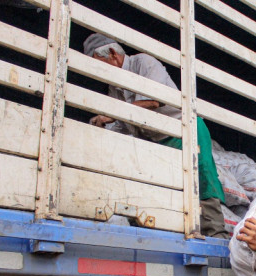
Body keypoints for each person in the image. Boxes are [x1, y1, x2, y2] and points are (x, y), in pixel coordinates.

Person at [83, 33, 228, 238]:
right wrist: (102, 128)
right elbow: (122, 125)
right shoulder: (114, 87)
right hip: (156, 140)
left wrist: (112, 113)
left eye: (99, 65)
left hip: (184, 130)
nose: (99, 72)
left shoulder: (143, 62)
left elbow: (153, 101)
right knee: (166, 187)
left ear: (113, 54)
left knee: (201, 179)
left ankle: (216, 233)